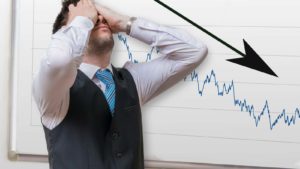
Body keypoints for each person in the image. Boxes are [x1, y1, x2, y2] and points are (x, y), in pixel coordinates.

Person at [32, 0, 208, 168]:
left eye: (100, 16)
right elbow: (58, 60)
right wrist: (83, 22)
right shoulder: (55, 90)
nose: (98, 18)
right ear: (66, 33)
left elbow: (194, 51)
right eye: (90, 17)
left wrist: (126, 23)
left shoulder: (134, 80)